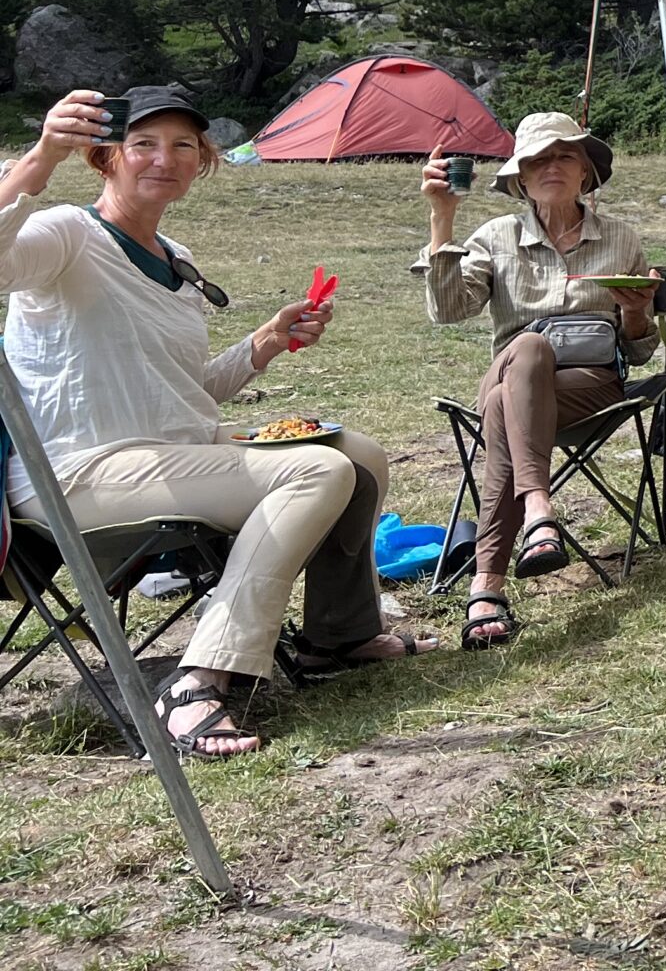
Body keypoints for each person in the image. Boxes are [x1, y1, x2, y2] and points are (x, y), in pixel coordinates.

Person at [3, 87, 424, 760]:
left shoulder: (175, 254)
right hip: (75, 474)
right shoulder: (66, 235)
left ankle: (336, 636)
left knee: (361, 453)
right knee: (314, 470)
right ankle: (199, 679)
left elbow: (185, 392)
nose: (163, 159)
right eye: (143, 143)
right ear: (106, 156)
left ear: (202, 161)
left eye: (183, 145)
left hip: (165, 458)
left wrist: (265, 342)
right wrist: (41, 157)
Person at [419, 111, 658, 652]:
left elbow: (639, 351)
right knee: (527, 347)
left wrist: (638, 315)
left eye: (564, 155)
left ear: (585, 174)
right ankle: (540, 510)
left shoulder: (620, 239)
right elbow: (450, 310)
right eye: (538, 159)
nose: (552, 165)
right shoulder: (495, 237)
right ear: (520, 178)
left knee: (506, 405)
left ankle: (487, 587)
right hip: (515, 370)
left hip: (592, 388)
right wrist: (442, 220)